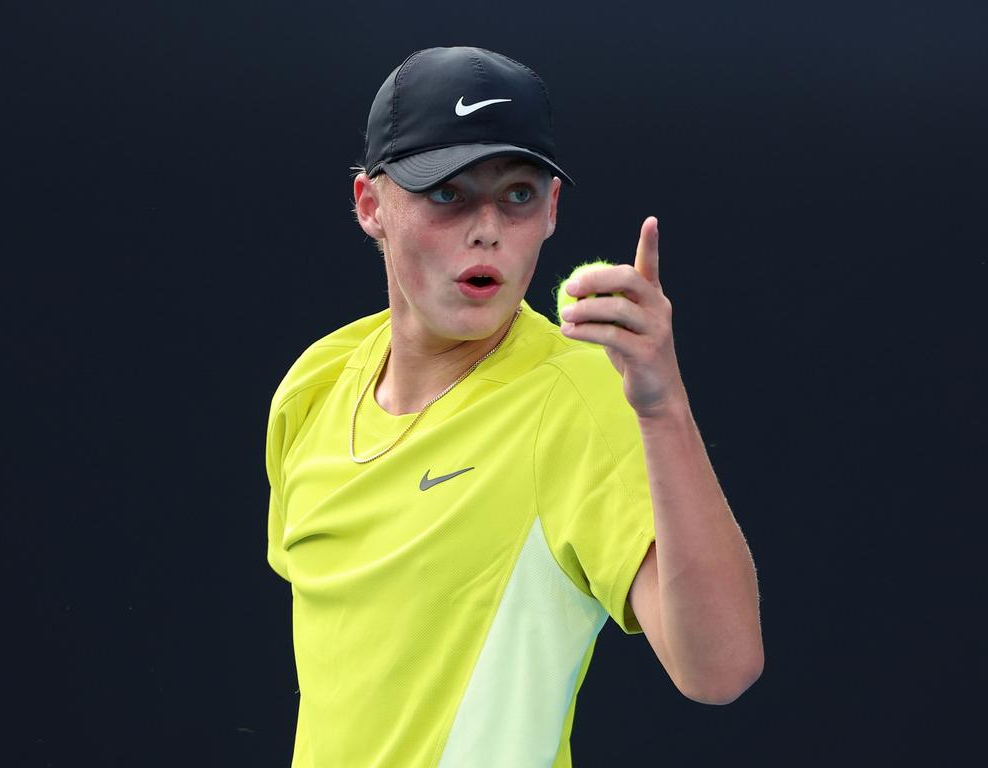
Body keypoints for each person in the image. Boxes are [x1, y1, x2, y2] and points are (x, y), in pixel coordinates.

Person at [264, 46, 763, 768]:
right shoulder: (315, 385)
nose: (488, 228)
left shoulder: (581, 398)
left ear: (552, 210)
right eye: (447, 194)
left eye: (518, 195)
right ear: (371, 205)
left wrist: (664, 411)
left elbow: (720, 670)